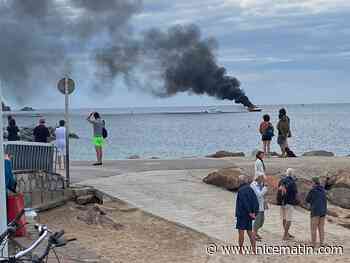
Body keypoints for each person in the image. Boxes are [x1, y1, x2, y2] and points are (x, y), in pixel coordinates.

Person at [235, 174, 259, 253]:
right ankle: (254, 249)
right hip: (250, 215)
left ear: (240, 181)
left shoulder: (241, 190)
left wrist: (249, 212)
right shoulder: (250, 189)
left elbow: (244, 202)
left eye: (238, 180)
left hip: (242, 214)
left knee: (241, 232)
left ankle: (240, 250)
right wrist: (254, 212)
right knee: (250, 232)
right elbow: (255, 202)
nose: (238, 182)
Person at [306, 177, 327, 247]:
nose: (310, 183)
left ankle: (313, 244)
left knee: (313, 228)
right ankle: (322, 243)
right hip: (323, 211)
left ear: (314, 183)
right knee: (321, 228)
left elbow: (307, 199)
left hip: (315, 211)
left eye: (311, 182)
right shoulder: (323, 190)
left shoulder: (312, 190)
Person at [278, 168, 298, 241]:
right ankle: (285, 235)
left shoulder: (281, 180)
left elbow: (278, 190)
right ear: (292, 174)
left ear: (286, 173)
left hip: (281, 202)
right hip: (289, 203)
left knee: (284, 218)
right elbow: (295, 193)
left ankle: (286, 234)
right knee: (288, 220)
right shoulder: (292, 182)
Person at [250, 173, 268, 241]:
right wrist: (265, 187)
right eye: (262, 178)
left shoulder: (260, 184)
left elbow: (262, 195)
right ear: (258, 178)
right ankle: (253, 235)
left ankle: (255, 233)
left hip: (261, 205)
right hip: (256, 206)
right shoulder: (253, 185)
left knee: (261, 221)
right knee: (257, 221)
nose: (263, 179)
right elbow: (259, 194)